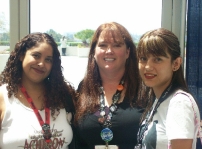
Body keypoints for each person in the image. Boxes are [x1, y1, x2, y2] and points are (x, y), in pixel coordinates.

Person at [73, 22, 145, 149]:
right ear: (94, 52)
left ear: (128, 52)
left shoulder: (143, 88)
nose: (109, 51)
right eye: (103, 45)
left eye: (117, 45)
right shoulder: (84, 87)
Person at [0, 32, 75, 149]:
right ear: (21, 55)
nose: (41, 64)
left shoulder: (63, 96)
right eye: (36, 55)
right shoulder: (3, 97)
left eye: (48, 60)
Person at [135, 28, 201, 149]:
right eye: (143, 58)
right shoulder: (157, 99)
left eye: (158, 59)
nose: (148, 67)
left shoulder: (179, 102)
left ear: (176, 64)